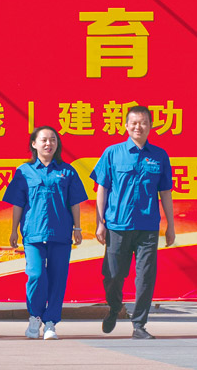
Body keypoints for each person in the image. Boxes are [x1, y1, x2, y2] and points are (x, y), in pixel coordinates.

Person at [91, 105, 175, 340]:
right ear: (126, 126)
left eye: (144, 123)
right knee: (113, 275)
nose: (139, 127)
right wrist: (100, 222)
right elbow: (102, 189)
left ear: (151, 126)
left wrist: (171, 225)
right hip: (117, 225)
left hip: (148, 226)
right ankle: (115, 307)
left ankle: (139, 324)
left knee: (146, 276)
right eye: (134, 123)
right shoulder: (112, 153)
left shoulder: (159, 155)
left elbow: (165, 192)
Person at [3, 126, 86, 340]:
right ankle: (35, 317)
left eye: (53, 140)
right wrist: (13, 230)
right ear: (34, 144)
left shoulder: (67, 171)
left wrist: (77, 228)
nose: (48, 144)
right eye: (44, 140)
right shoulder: (24, 171)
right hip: (33, 233)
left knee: (58, 278)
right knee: (36, 275)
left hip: (61, 232)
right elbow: (18, 203)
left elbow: (74, 203)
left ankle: (50, 323)